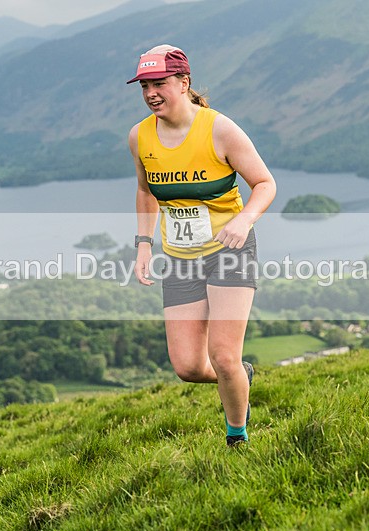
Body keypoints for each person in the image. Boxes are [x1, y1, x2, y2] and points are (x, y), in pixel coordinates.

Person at [127, 45, 276, 446]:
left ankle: (237, 438)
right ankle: (241, 375)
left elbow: (265, 184)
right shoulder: (140, 137)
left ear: (184, 82)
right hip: (179, 259)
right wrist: (144, 244)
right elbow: (146, 191)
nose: (151, 93)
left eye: (159, 83)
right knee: (190, 367)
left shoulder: (219, 129)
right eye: (145, 86)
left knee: (223, 356)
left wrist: (244, 220)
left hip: (229, 250)